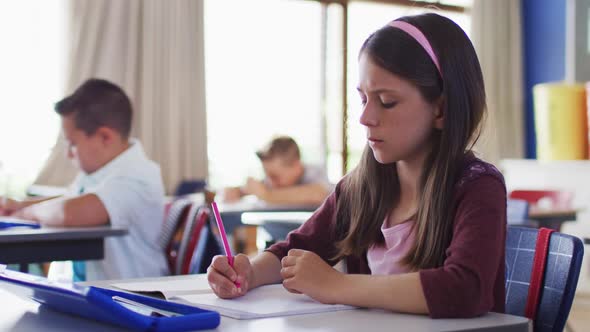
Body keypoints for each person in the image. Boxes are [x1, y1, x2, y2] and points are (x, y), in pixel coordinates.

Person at [207, 13, 506, 318]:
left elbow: (466, 289)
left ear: (441, 109)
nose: (365, 118)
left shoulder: (478, 186)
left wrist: (338, 285)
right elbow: (294, 250)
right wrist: (249, 273)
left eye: (387, 101)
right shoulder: (361, 187)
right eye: (363, 99)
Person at [0, 78, 168, 281]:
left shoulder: (138, 175)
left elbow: (69, 212)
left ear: (105, 137)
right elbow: (67, 200)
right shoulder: (96, 174)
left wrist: (27, 213)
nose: (69, 154)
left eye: (72, 144)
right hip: (93, 291)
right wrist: (19, 206)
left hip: (134, 297)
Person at [223, 136, 332, 205]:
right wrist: (238, 192)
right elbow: (260, 189)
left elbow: (318, 194)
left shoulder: (315, 173)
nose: (270, 182)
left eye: (275, 176)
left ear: (296, 166)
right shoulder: (272, 182)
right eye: (267, 175)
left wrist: (266, 195)